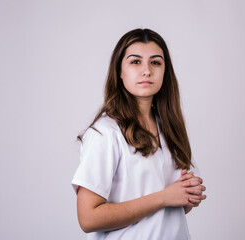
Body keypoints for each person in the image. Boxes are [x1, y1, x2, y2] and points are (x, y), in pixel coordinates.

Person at [71, 28, 207, 239]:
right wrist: (164, 197)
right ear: (120, 71)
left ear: (165, 71)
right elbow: (88, 218)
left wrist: (189, 195)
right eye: (135, 62)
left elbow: (179, 203)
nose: (146, 71)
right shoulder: (105, 133)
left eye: (155, 62)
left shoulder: (170, 128)